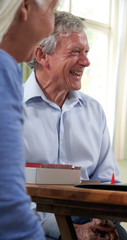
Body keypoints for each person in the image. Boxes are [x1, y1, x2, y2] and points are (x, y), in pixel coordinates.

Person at [24, 11, 127, 240]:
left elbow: (109, 182)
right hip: (34, 227)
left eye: (86, 52)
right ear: (42, 56)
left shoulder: (94, 111)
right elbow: (8, 196)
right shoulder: (11, 110)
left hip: (90, 219)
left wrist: (101, 223)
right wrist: (70, 232)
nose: (86, 61)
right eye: (75, 52)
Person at [0, 0, 58, 239]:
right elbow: (8, 207)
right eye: (52, 11)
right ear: (24, 6)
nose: (51, 28)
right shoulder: (5, 67)